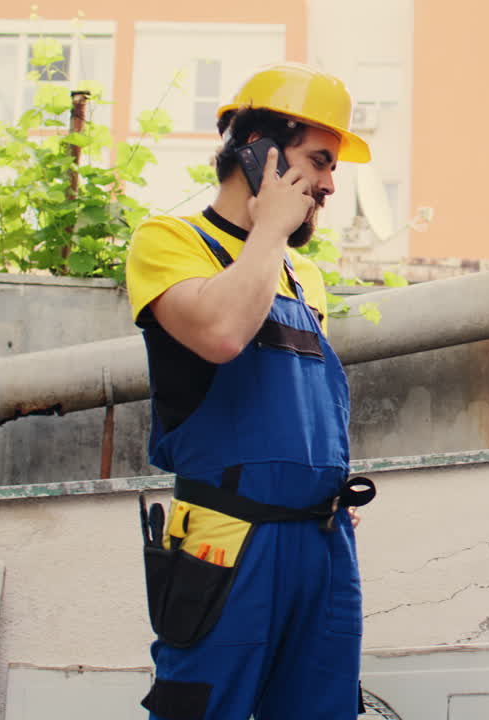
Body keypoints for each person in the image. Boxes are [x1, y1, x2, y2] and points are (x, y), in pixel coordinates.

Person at [126, 63, 376, 720]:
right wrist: (268, 230)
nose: (326, 185)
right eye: (318, 161)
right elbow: (220, 334)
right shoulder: (170, 242)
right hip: (227, 543)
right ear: (260, 149)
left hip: (320, 545)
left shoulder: (304, 281)